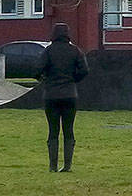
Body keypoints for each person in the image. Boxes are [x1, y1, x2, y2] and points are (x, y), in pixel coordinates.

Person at [35, 22, 88, 172]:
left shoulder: (48, 51)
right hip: (70, 94)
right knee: (68, 130)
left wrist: (45, 79)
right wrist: (73, 79)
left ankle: (52, 166)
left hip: (51, 95)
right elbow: (85, 70)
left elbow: (37, 69)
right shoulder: (75, 51)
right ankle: (67, 166)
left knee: (53, 131)